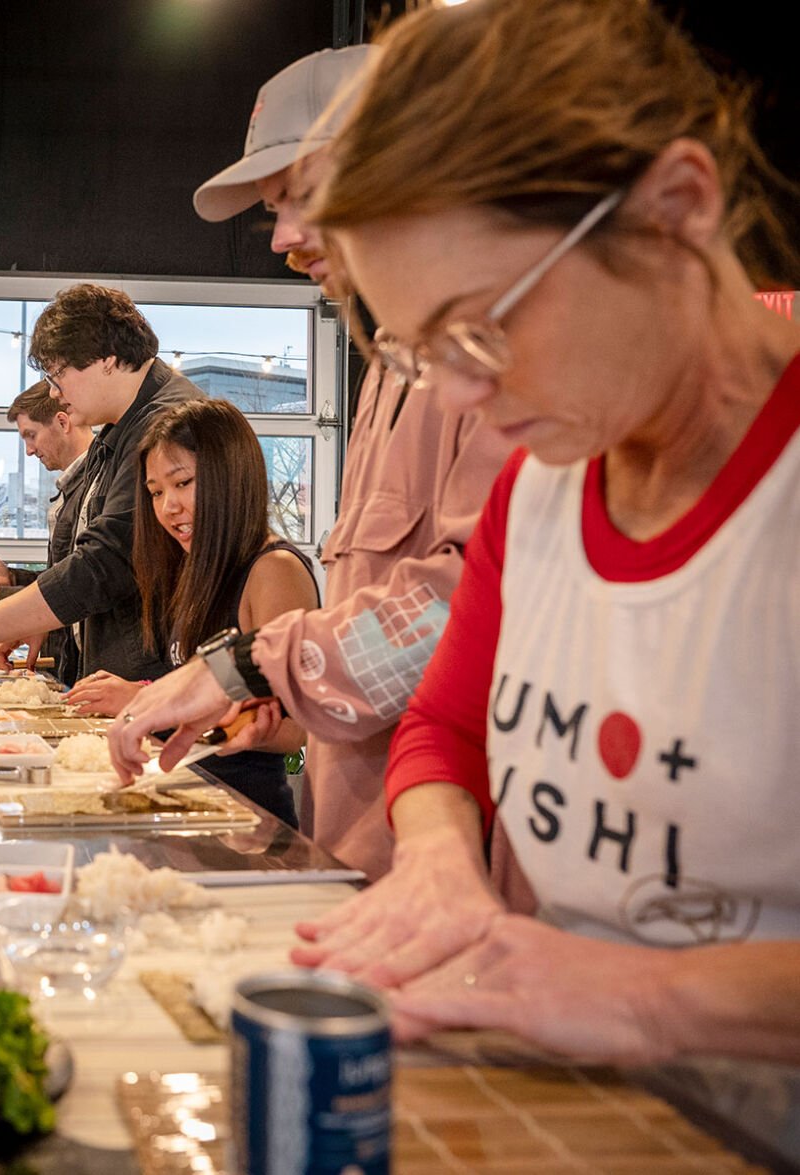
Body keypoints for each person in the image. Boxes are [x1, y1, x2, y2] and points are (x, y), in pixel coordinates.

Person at [291, 0, 800, 1066]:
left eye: (484, 325)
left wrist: (654, 998)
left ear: (674, 209)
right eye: (426, 351)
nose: (464, 395)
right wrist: (437, 855)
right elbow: (443, 728)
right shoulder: (540, 490)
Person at [106, 44, 516, 884]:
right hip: (361, 840)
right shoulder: (392, 360)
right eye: (274, 207)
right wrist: (278, 705)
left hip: (451, 866)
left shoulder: (497, 345)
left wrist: (247, 665)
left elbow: (471, 603)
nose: (283, 238)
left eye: (304, 196)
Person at [0, 285, 203, 682]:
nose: (55, 392)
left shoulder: (165, 421)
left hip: (151, 681)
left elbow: (105, 563)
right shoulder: (122, 428)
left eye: (58, 375)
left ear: (105, 359)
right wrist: (33, 618)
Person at [66, 400, 319, 826]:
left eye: (182, 483)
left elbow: (298, 727)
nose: (168, 508)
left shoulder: (274, 570)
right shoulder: (194, 564)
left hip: (245, 818)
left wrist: (155, 703)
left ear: (231, 477)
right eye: (156, 492)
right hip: (187, 801)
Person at [0, 380, 95, 683]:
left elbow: (86, 583)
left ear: (63, 422)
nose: (29, 450)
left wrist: (1, 596)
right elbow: (65, 576)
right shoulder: (73, 486)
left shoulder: (96, 483)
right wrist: (12, 579)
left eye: (31, 435)